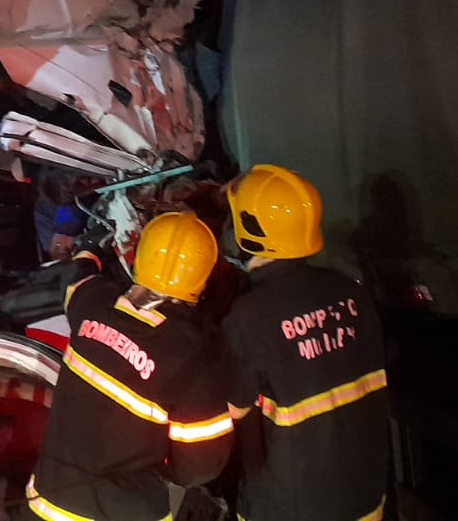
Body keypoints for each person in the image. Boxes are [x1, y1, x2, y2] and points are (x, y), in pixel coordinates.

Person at [27, 212, 234, 521]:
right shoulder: (195, 360)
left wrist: (90, 248)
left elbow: (76, 281)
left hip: (49, 504)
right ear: (200, 280)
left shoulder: (93, 303)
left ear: (138, 258)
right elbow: (199, 465)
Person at [221, 165, 390, 521]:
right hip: (364, 498)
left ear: (248, 232)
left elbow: (235, 415)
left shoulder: (248, 317)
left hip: (292, 508)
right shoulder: (350, 292)